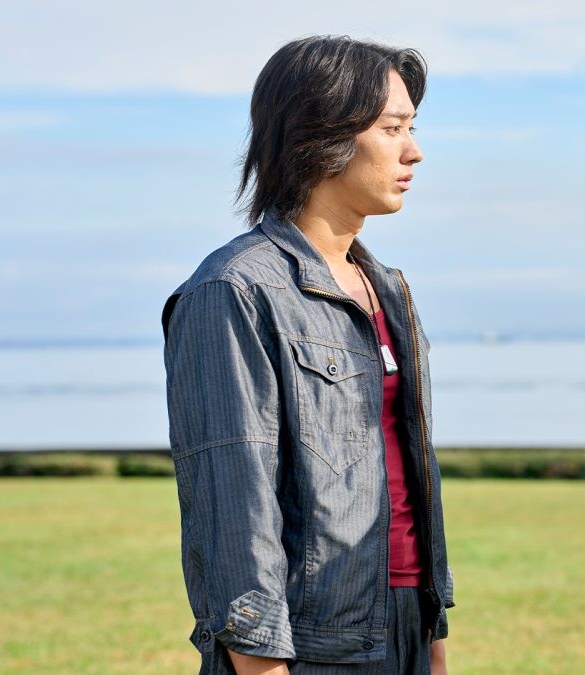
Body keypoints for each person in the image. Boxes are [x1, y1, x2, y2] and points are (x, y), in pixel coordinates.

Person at [162, 36, 452, 674]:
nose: (414, 150)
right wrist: (260, 662)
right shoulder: (233, 290)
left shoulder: (388, 289)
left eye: (412, 128)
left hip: (404, 623)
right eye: (392, 128)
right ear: (323, 134)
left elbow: (407, 478)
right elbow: (233, 502)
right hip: (307, 646)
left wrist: (433, 640)